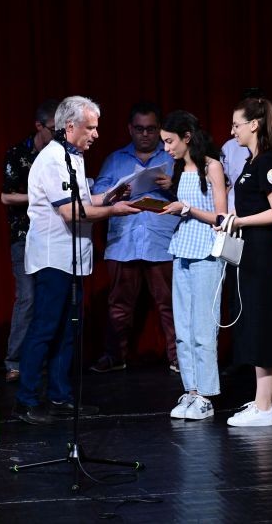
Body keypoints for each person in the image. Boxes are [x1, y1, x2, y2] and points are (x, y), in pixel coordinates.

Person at [13, 96, 139, 424]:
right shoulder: (53, 159)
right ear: (70, 126)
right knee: (46, 327)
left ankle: (60, 396)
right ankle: (26, 399)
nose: (96, 134)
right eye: (91, 127)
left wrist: (108, 197)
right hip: (53, 257)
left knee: (68, 330)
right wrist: (112, 211)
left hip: (72, 258)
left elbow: (81, 200)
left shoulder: (74, 157)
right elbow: (70, 212)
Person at [90, 102, 180, 373]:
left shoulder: (173, 157)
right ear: (130, 129)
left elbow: (196, 198)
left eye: (151, 129)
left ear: (159, 129)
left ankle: (179, 358)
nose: (145, 134)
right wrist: (116, 193)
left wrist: (172, 186)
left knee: (169, 304)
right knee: (119, 305)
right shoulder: (115, 159)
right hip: (124, 241)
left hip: (162, 241)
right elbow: (97, 195)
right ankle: (115, 356)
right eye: (139, 129)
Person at [223, 98, 272, 427]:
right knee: (252, 321)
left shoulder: (268, 162)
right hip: (249, 249)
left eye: (236, 124)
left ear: (254, 124)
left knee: (261, 321)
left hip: (262, 252)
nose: (232, 130)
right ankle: (268, 402)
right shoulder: (253, 162)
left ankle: (264, 407)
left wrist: (240, 221)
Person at [158, 110, 227, 420]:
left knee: (203, 327)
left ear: (187, 137)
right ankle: (191, 389)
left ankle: (206, 395)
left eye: (170, 141)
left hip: (207, 252)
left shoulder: (212, 166)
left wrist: (187, 209)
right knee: (183, 329)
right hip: (182, 249)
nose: (166, 148)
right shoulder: (178, 168)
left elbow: (222, 217)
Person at [1, 99, 59, 383]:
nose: (57, 135)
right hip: (24, 236)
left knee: (49, 299)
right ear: (39, 126)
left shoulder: (61, 155)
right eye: (53, 129)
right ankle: (14, 361)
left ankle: (41, 360)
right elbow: (6, 196)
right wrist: (40, 196)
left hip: (54, 236)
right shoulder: (18, 154)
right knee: (27, 298)